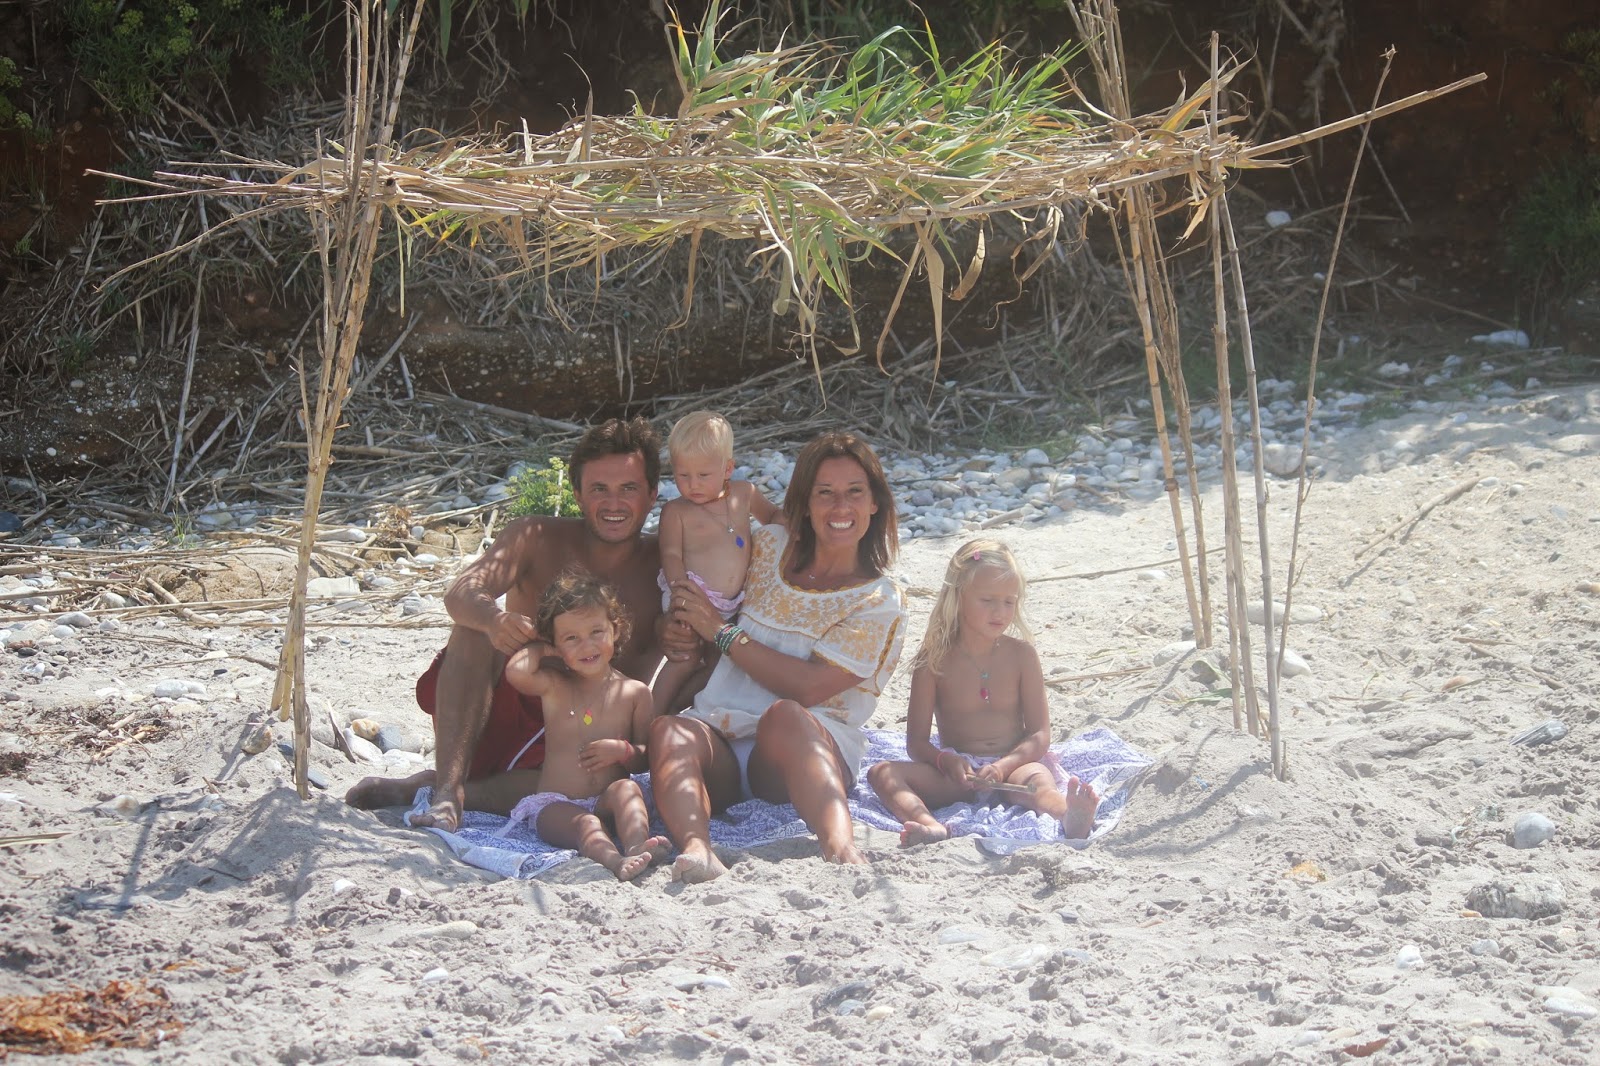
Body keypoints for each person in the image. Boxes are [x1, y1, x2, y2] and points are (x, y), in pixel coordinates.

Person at [344, 417, 664, 831]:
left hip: (584, 742)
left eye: (629, 488)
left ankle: (439, 789)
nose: (613, 503)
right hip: (499, 709)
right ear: (578, 495)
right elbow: (462, 592)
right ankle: (447, 790)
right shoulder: (535, 535)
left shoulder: (666, 564)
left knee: (578, 767)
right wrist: (495, 620)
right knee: (474, 628)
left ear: (653, 495)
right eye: (599, 488)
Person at [648, 431, 906, 882]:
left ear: (874, 504)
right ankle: (697, 848)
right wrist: (673, 624)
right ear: (803, 503)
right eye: (824, 493)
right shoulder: (767, 547)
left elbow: (808, 687)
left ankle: (840, 848)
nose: (840, 507)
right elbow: (707, 592)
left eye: (854, 493)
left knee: (786, 715)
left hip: (803, 748)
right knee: (670, 731)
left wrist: (720, 632)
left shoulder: (877, 600)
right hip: (723, 736)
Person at [866, 539, 1098, 846]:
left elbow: (1040, 734)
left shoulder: (1021, 655)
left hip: (1013, 767)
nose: (1000, 612)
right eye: (987, 600)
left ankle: (1067, 815)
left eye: (1009, 602)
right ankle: (931, 826)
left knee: (1039, 781)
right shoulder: (933, 661)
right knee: (881, 773)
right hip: (961, 775)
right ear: (958, 597)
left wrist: (1003, 766)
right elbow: (916, 743)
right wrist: (945, 761)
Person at [499, 571, 668, 881]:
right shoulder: (555, 685)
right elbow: (516, 672)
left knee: (628, 789)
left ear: (615, 630)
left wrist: (623, 751)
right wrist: (544, 648)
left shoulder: (635, 693)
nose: (586, 646)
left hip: (607, 800)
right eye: (571, 638)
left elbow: (645, 758)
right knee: (587, 826)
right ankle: (614, 860)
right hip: (556, 805)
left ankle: (636, 845)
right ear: (555, 643)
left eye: (596, 632)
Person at [651, 410, 782, 717]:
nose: (692, 485)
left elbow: (774, 517)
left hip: (732, 603)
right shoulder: (677, 511)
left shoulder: (744, 494)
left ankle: (680, 710)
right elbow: (671, 554)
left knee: (719, 663)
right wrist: (680, 592)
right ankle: (649, 716)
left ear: (727, 468)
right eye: (682, 475)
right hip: (691, 593)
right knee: (684, 655)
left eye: (703, 475)